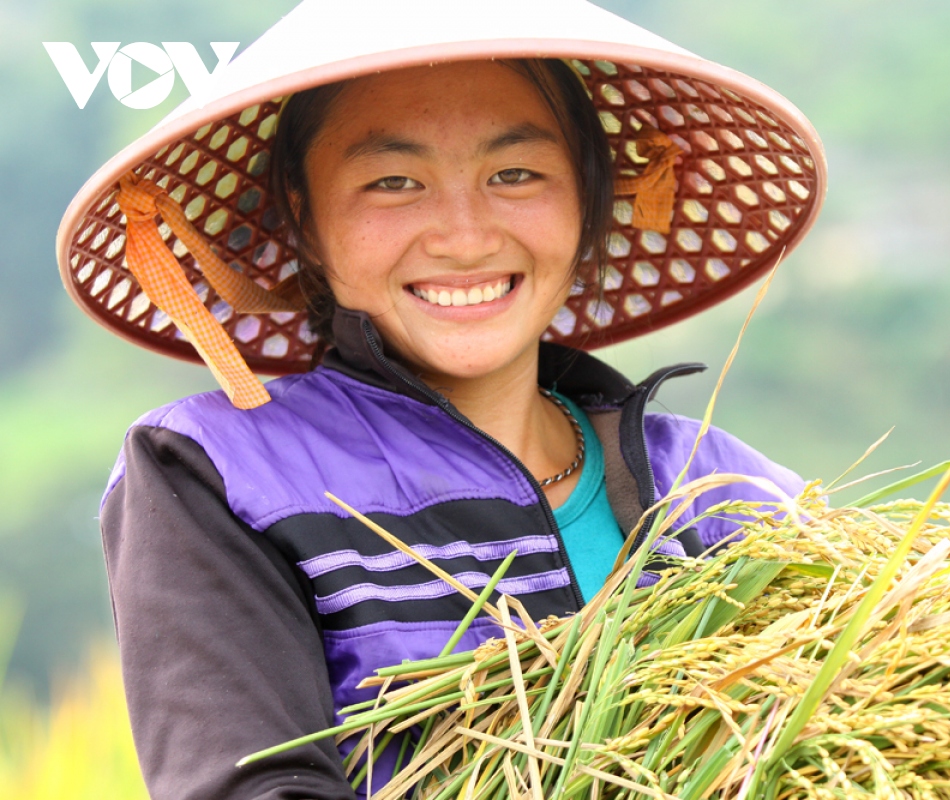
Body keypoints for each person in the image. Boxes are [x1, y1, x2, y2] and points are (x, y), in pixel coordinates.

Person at [55, 1, 827, 796]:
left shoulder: (716, 487)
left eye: (515, 174)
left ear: (589, 198)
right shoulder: (219, 476)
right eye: (393, 182)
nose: (464, 235)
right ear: (305, 220)